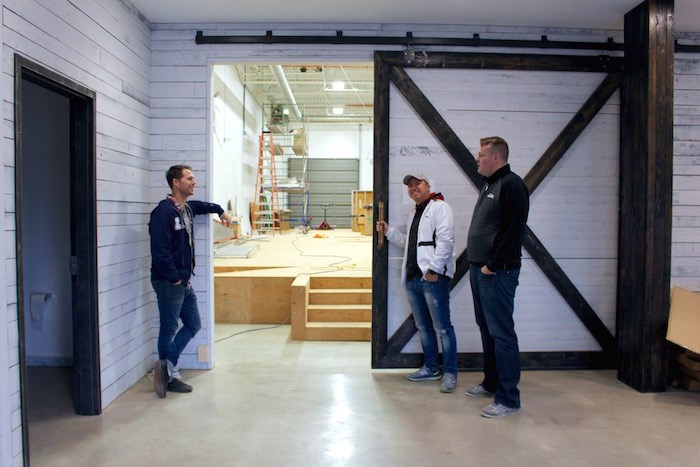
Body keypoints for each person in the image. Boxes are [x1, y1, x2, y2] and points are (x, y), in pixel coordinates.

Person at [149, 164, 231, 398]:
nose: (194, 182)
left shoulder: (186, 209)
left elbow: (205, 206)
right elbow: (160, 251)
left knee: (193, 324)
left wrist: (220, 211)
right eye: (189, 178)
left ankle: (165, 368)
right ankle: (168, 376)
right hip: (169, 282)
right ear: (176, 182)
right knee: (168, 328)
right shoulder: (163, 213)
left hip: (183, 282)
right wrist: (174, 278)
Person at [465, 136, 529, 418]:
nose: (476, 159)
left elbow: (514, 230)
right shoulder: (490, 184)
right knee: (486, 328)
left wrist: (492, 265)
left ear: (496, 157)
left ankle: (508, 399)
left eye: (481, 155)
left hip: (497, 272)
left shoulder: (512, 184)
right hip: (479, 270)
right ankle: (491, 383)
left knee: (502, 332)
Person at [377, 173, 458, 393]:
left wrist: (433, 271)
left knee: (443, 328)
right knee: (424, 327)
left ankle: (450, 373)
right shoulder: (415, 212)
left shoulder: (440, 208)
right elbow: (410, 243)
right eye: (409, 186)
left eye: (417, 184)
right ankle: (431, 368)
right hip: (414, 279)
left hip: (432, 278)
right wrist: (389, 232)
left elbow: (446, 241)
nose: (413, 188)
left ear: (428, 185)